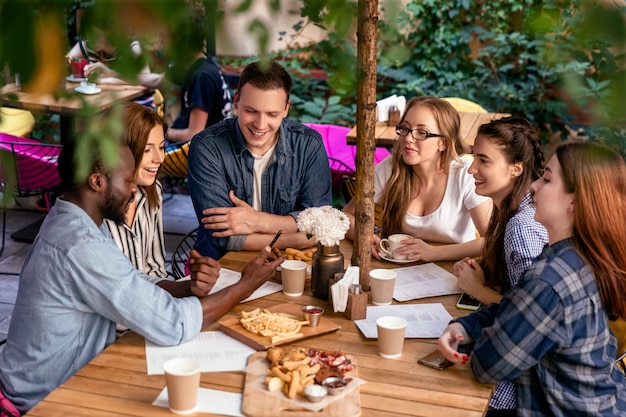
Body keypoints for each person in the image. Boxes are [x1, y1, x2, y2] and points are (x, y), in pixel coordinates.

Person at [0, 136, 282, 415]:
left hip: (44, 380)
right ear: (97, 182)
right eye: (128, 180)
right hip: (43, 400)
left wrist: (185, 287)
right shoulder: (81, 244)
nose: (134, 190)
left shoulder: (74, 220)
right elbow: (173, 324)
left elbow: (129, 280)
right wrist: (246, 284)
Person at [438, 142, 626, 416]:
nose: (533, 187)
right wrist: (467, 326)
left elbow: (489, 366)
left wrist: (475, 335)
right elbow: (518, 308)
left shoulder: (552, 278)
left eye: (547, 179)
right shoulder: (574, 254)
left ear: (574, 201)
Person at [187, 59, 332, 260]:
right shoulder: (207, 147)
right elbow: (221, 237)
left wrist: (258, 221)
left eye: (272, 114)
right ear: (236, 100)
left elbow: (320, 220)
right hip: (221, 267)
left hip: (290, 266)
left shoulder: (308, 145)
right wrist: (296, 238)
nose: (260, 125)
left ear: (286, 108)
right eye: (251, 111)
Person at [452, 116, 549, 413]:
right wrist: (486, 263)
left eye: (483, 161)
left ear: (515, 168)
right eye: (473, 158)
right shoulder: (509, 208)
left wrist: (478, 290)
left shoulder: (521, 226)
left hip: (523, 386)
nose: (471, 169)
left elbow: (533, 317)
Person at [343, 95, 492, 261]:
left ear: (443, 142)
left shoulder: (465, 174)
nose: (407, 138)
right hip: (397, 271)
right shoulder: (390, 168)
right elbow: (345, 217)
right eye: (405, 129)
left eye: (422, 132)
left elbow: (492, 240)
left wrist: (435, 254)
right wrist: (366, 238)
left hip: (455, 272)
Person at [105, 103, 167, 278]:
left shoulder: (152, 191)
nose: (160, 158)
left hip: (146, 299)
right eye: (147, 150)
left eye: (161, 147)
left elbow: (155, 267)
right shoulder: (95, 205)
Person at [164, 14, 232, 145]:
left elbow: (193, 134)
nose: (163, 43)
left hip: (206, 149)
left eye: (167, 38)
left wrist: (162, 132)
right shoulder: (198, 66)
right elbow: (157, 80)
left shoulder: (202, 77)